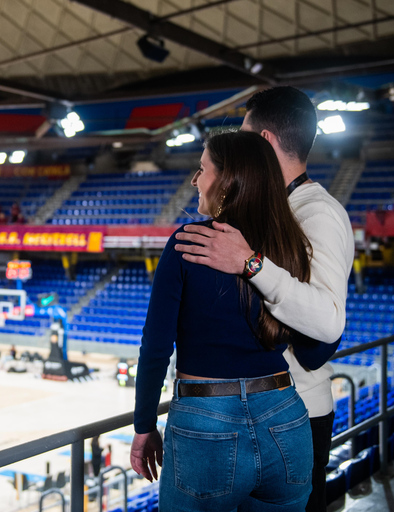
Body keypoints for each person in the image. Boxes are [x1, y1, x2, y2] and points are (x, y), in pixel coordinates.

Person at [174, 86, 353, 512]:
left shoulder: (316, 212)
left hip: (297, 414)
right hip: (255, 411)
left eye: (246, 134)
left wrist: (251, 263)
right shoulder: (274, 207)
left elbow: (328, 322)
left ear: (266, 141)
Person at [131, 131, 328, 511]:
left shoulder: (188, 242)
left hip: (206, 423)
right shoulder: (291, 245)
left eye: (202, 169)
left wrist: (143, 426)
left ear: (228, 179)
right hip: (286, 417)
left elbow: (155, 348)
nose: (194, 179)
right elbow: (318, 345)